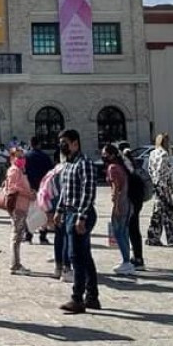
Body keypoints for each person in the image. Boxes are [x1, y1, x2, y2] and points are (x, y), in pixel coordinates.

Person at [53, 130, 100, 314]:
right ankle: (92, 297)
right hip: (70, 212)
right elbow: (65, 190)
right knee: (84, 256)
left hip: (82, 213)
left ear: (75, 143)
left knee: (76, 257)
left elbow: (88, 192)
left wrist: (81, 216)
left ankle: (77, 298)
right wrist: (59, 210)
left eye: (65, 142)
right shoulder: (68, 164)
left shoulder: (84, 163)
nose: (62, 146)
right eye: (60, 143)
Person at [145, 133, 173, 247]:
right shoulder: (164, 154)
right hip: (163, 186)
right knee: (169, 212)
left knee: (158, 212)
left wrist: (156, 183)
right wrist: (166, 186)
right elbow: (161, 172)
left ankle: (153, 237)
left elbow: (151, 169)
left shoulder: (153, 153)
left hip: (157, 185)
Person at [101, 144, 136, 275]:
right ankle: (127, 261)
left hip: (121, 203)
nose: (103, 156)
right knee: (124, 231)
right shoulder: (122, 166)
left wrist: (115, 206)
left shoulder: (113, 168)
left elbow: (115, 188)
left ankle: (126, 261)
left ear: (110, 155)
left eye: (105, 154)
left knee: (118, 232)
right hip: (128, 202)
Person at [3, 150, 34, 275]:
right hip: (18, 206)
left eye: (23, 157)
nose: (22, 159)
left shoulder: (19, 170)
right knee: (16, 236)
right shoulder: (14, 170)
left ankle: (16, 263)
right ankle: (15, 264)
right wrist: (28, 194)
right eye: (19, 157)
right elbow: (13, 187)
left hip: (22, 206)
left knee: (18, 235)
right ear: (12, 158)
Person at [23, 138, 54, 244]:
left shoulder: (26, 157)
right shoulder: (45, 157)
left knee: (29, 212)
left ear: (30, 144)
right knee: (43, 212)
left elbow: (23, 174)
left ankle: (28, 236)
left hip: (30, 188)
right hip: (44, 189)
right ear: (39, 144)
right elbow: (51, 174)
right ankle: (43, 237)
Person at [121, 148, 146, 270]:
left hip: (132, 200)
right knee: (134, 229)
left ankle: (137, 259)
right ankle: (137, 257)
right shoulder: (133, 164)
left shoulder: (125, 165)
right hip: (137, 200)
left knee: (132, 229)